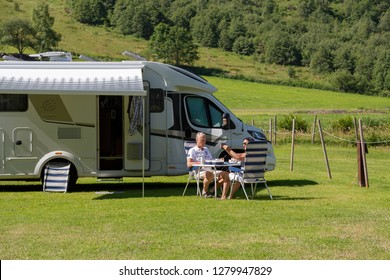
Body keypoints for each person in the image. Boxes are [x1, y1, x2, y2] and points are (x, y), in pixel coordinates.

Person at [187, 132, 230, 199]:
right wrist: (200, 163)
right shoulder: (192, 150)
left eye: (205, 140)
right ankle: (205, 192)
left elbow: (211, 159)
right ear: (196, 140)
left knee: (227, 175)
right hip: (198, 171)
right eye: (202, 140)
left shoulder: (206, 149)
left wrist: (219, 160)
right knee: (209, 174)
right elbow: (189, 164)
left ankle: (213, 191)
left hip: (210, 170)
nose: (204, 142)